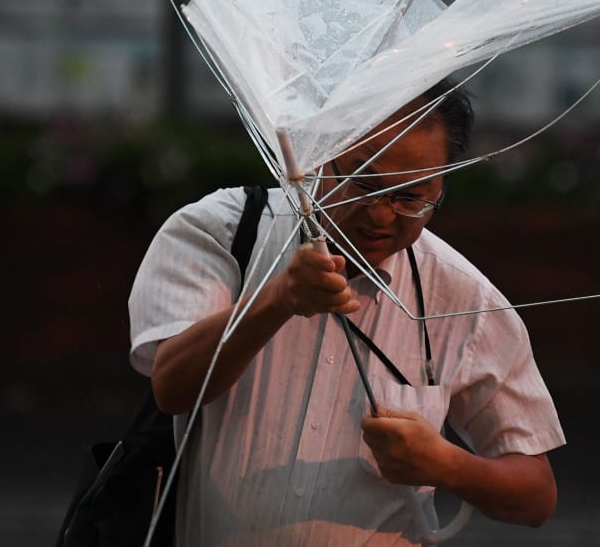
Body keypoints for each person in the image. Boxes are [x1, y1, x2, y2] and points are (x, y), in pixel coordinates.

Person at [128, 79, 565, 546]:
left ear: (442, 185)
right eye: (363, 182)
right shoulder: (222, 232)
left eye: (412, 196)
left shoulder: (464, 299)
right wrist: (275, 300)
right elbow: (172, 387)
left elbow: (536, 496)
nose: (381, 215)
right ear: (319, 154)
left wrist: (447, 465)